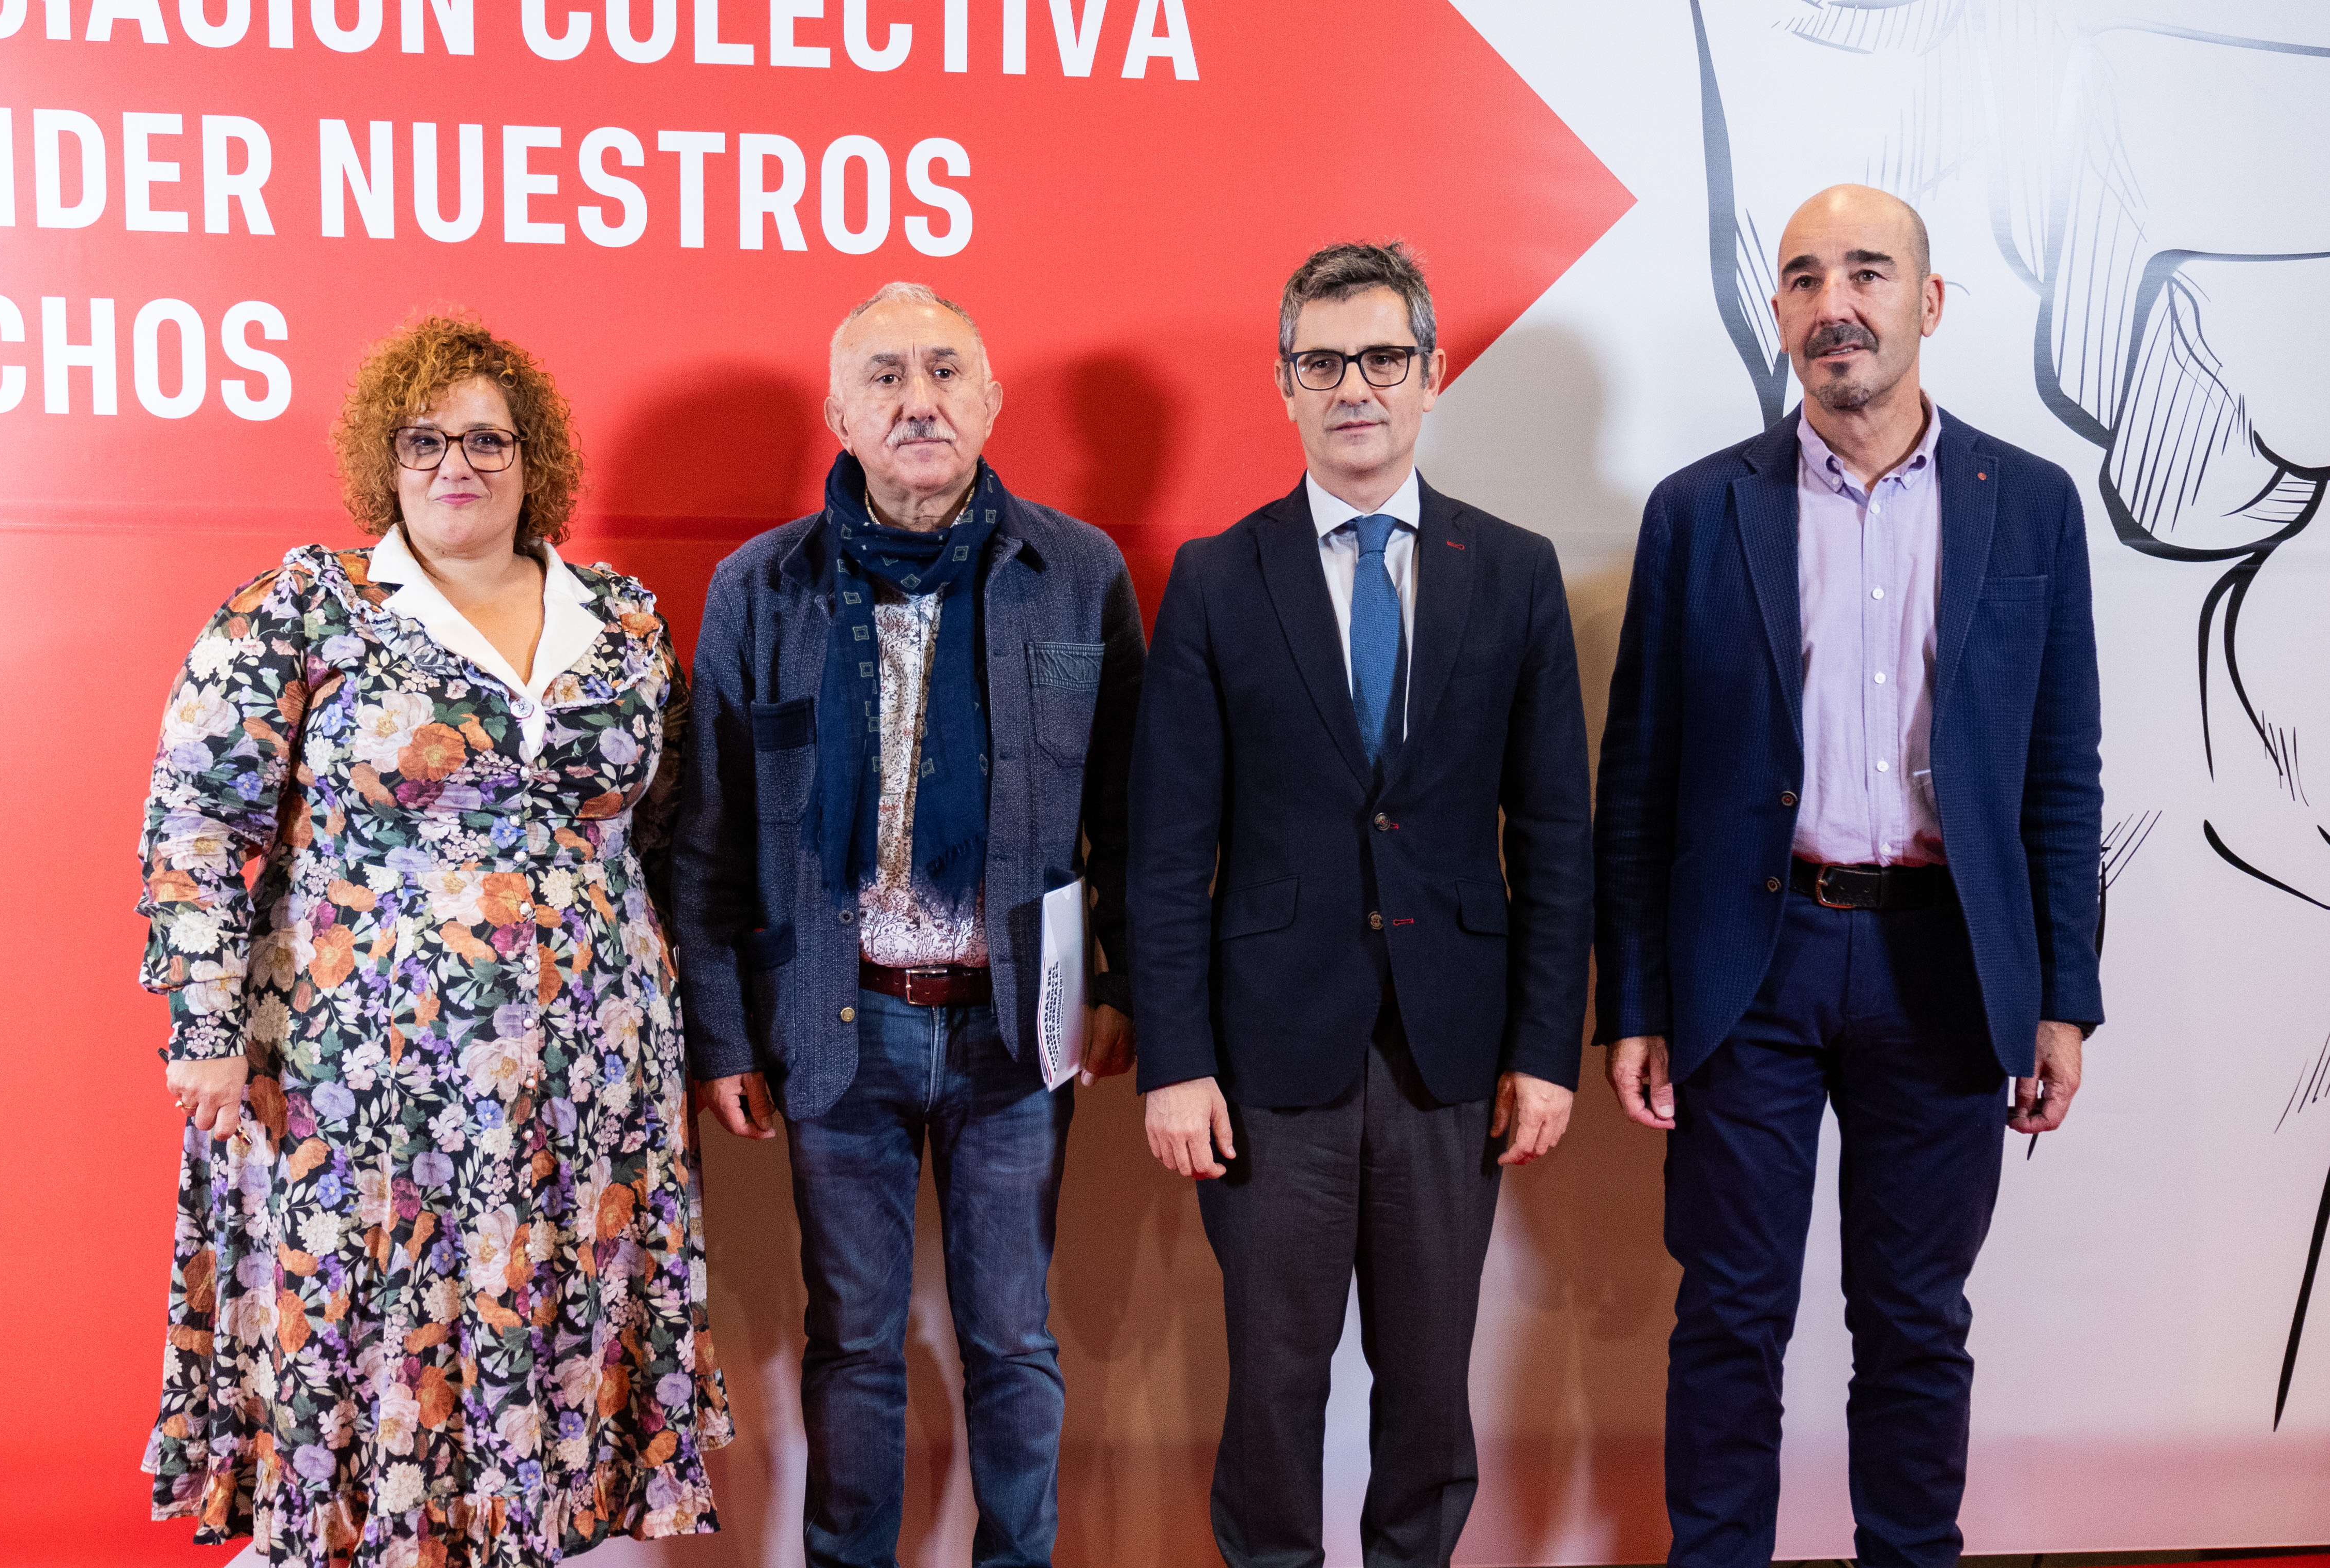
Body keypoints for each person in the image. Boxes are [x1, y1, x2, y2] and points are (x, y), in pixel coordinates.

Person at [140, 316, 732, 1564]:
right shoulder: (305, 607)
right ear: (385, 456)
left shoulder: (622, 620)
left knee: (553, 1341)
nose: (455, 463)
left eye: (485, 438)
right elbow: (197, 814)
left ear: (534, 460)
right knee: (371, 1343)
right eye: (425, 439)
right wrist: (201, 1024)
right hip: (358, 1086)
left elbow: (673, 833)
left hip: (587, 1083)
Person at [1593, 185, 2103, 1568]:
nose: (1835, 304)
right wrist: (1631, 1000)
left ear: (1924, 304)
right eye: (1804, 277)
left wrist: (2060, 997)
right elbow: (1634, 779)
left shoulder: (2032, 507)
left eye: (1866, 273)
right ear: (1777, 315)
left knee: (1914, 1318)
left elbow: (2059, 773)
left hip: (1942, 966)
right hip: (1745, 970)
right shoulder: (1699, 511)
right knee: (1728, 1316)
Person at [1129, 241, 1595, 1568]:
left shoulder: (1511, 571)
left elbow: (1554, 832)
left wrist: (1540, 1051)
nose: (1355, 387)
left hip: (1453, 1054)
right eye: (1322, 362)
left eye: (1382, 358)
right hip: (1269, 1058)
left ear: (1431, 376)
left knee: (1430, 1396)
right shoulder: (1220, 579)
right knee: (1274, 1394)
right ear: (1284, 385)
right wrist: (1177, 1063)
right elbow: (1168, 850)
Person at [672, 282, 1142, 1568]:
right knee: (855, 1344)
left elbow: (1134, 811)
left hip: (1013, 1028)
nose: (917, 399)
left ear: (992, 402)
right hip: (839, 1022)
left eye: (945, 372)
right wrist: (721, 1041)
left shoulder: (1076, 576)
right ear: (839, 411)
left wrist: (1124, 984)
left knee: (1011, 1338)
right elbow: (706, 836)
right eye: (885, 376)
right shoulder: (757, 591)